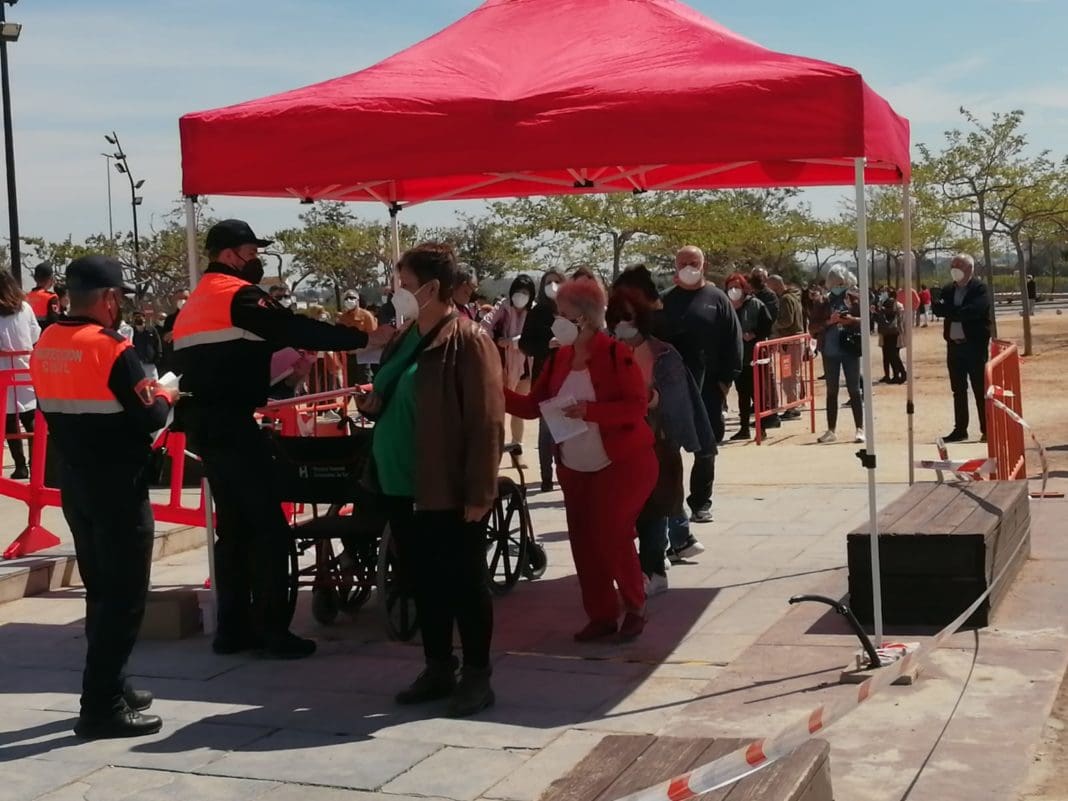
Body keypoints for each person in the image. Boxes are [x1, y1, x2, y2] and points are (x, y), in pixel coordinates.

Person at [174, 219, 369, 659]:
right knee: (270, 531)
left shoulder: (194, 303)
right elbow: (295, 329)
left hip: (205, 425)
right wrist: (362, 337)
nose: (256, 259)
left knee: (235, 531)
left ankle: (232, 630)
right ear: (229, 255)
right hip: (232, 424)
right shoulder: (237, 295)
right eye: (251, 251)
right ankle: (272, 632)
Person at [30, 255, 178, 739]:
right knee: (125, 595)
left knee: (101, 589)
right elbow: (151, 415)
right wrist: (166, 396)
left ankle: (114, 683)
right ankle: (101, 706)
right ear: (111, 299)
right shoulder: (113, 348)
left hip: (76, 481)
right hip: (119, 484)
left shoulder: (46, 340)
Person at [357, 242, 504, 717]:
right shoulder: (403, 339)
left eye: (404, 285)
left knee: (464, 581)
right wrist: (375, 403)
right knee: (423, 582)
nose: (397, 293)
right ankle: (438, 666)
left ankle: (477, 675)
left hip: (446, 487)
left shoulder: (468, 339)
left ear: (432, 287)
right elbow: (392, 391)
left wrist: (481, 490)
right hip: (399, 485)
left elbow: (486, 420)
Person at [507, 278, 657, 641]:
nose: (557, 320)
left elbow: (636, 407)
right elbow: (531, 407)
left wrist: (592, 411)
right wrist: (491, 390)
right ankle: (602, 615)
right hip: (575, 467)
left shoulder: (614, 354)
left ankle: (635, 608)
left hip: (622, 464)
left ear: (586, 318)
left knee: (613, 534)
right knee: (585, 542)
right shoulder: (557, 358)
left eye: (564, 314)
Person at [607, 284, 712, 597]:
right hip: (619, 446)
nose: (622, 325)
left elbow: (677, 402)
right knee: (629, 512)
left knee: (654, 509)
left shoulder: (664, 354)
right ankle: (640, 568)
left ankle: (652, 570)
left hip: (658, 445)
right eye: (617, 319)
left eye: (628, 318)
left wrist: (651, 398)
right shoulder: (609, 353)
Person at [658, 246, 742, 527]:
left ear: (703, 266)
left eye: (693, 262)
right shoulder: (665, 302)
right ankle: (672, 506)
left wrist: (724, 382)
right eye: (683, 263)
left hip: (708, 388)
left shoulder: (717, 299)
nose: (688, 267)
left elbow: (734, 342)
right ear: (675, 267)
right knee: (668, 449)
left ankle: (701, 502)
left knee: (706, 448)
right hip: (671, 389)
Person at [931, 253, 991, 443]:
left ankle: (986, 429)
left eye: (959, 265)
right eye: (952, 265)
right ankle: (960, 429)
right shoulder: (949, 289)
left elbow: (973, 312)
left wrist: (952, 312)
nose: (954, 269)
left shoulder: (980, 289)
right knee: (958, 390)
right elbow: (937, 309)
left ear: (970, 269)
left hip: (974, 346)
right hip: (954, 347)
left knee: (980, 388)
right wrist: (953, 312)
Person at [519, 269, 565, 491]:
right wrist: (546, 345)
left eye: (557, 281)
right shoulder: (537, 313)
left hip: (570, 377)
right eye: (549, 282)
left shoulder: (572, 310)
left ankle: (565, 472)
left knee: (568, 429)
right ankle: (547, 476)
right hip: (544, 377)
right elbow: (525, 345)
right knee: (546, 430)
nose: (553, 286)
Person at [482, 274, 536, 450]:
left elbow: (534, 337)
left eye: (525, 292)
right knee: (500, 406)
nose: (521, 295)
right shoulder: (503, 307)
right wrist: (496, 339)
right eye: (518, 291)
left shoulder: (534, 312)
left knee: (519, 408)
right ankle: (495, 444)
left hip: (525, 367)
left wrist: (512, 342)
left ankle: (517, 446)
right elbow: (485, 325)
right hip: (504, 365)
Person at [816, 265, 864, 444]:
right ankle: (831, 429)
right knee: (832, 391)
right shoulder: (822, 302)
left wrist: (851, 320)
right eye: (835, 283)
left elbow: (867, 321)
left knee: (854, 390)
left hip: (850, 349)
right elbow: (813, 327)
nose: (839, 286)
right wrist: (830, 321)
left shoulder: (855, 299)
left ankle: (860, 428)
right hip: (830, 351)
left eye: (842, 283)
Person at [0, 270, 40, 479]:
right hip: (24, 366)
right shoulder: (25, 308)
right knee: (29, 415)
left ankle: (20, 465)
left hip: (3, 370)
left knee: (8, 420)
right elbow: (35, 333)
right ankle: (36, 462)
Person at [725, 273, 774, 441]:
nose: (733, 290)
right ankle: (744, 428)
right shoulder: (726, 306)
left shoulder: (756, 305)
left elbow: (767, 326)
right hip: (737, 358)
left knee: (757, 394)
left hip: (755, 356)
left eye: (737, 286)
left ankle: (762, 428)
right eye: (730, 287)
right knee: (742, 394)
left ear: (744, 287)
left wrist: (754, 334)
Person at [768, 275, 804, 419]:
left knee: (788, 376)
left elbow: (787, 321)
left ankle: (792, 407)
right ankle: (793, 404)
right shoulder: (793, 297)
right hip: (793, 341)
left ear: (776, 285)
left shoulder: (786, 299)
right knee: (791, 375)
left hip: (790, 342)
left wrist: (774, 326)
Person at [338, 290, 378, 385]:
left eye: (352, 298)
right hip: (348, 356)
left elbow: (374, 337)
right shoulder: (343, 318)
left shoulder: (367, 316)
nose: (349, 300)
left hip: (364, 355)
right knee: (350, 384)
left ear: (358, 300)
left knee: (364, 383)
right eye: (347, 298)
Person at [875, 295, 907, 384]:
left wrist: (880, 310)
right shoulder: (886, 305)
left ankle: (902, 373)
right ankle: (894, 375)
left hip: (892, 333)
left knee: (893, 355)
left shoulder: (895, 306)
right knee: (889, 355)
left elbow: (894, 317)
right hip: (889, 333)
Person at [159, 289, 189, 376]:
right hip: (176, 363)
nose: (183, 301)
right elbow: (165, 338)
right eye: (179, 299)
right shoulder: (170, 319)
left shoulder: (198, 316)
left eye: (185, 298)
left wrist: (179, 331)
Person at [130, 310, 163, 381]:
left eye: (140, 317)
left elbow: (158, 344)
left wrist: (157, 358)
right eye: (136, 318)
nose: (138, 319)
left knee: (153, 383)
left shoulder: (151, 330)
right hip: (137, 364)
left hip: (150, 363)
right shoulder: (131, 331)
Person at [27, 262, 61, 330]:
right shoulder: (51, 297)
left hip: (30, 338)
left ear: (35, 278)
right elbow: (54, 322)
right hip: (45, 337)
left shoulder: (25, 297)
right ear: (51, 278)